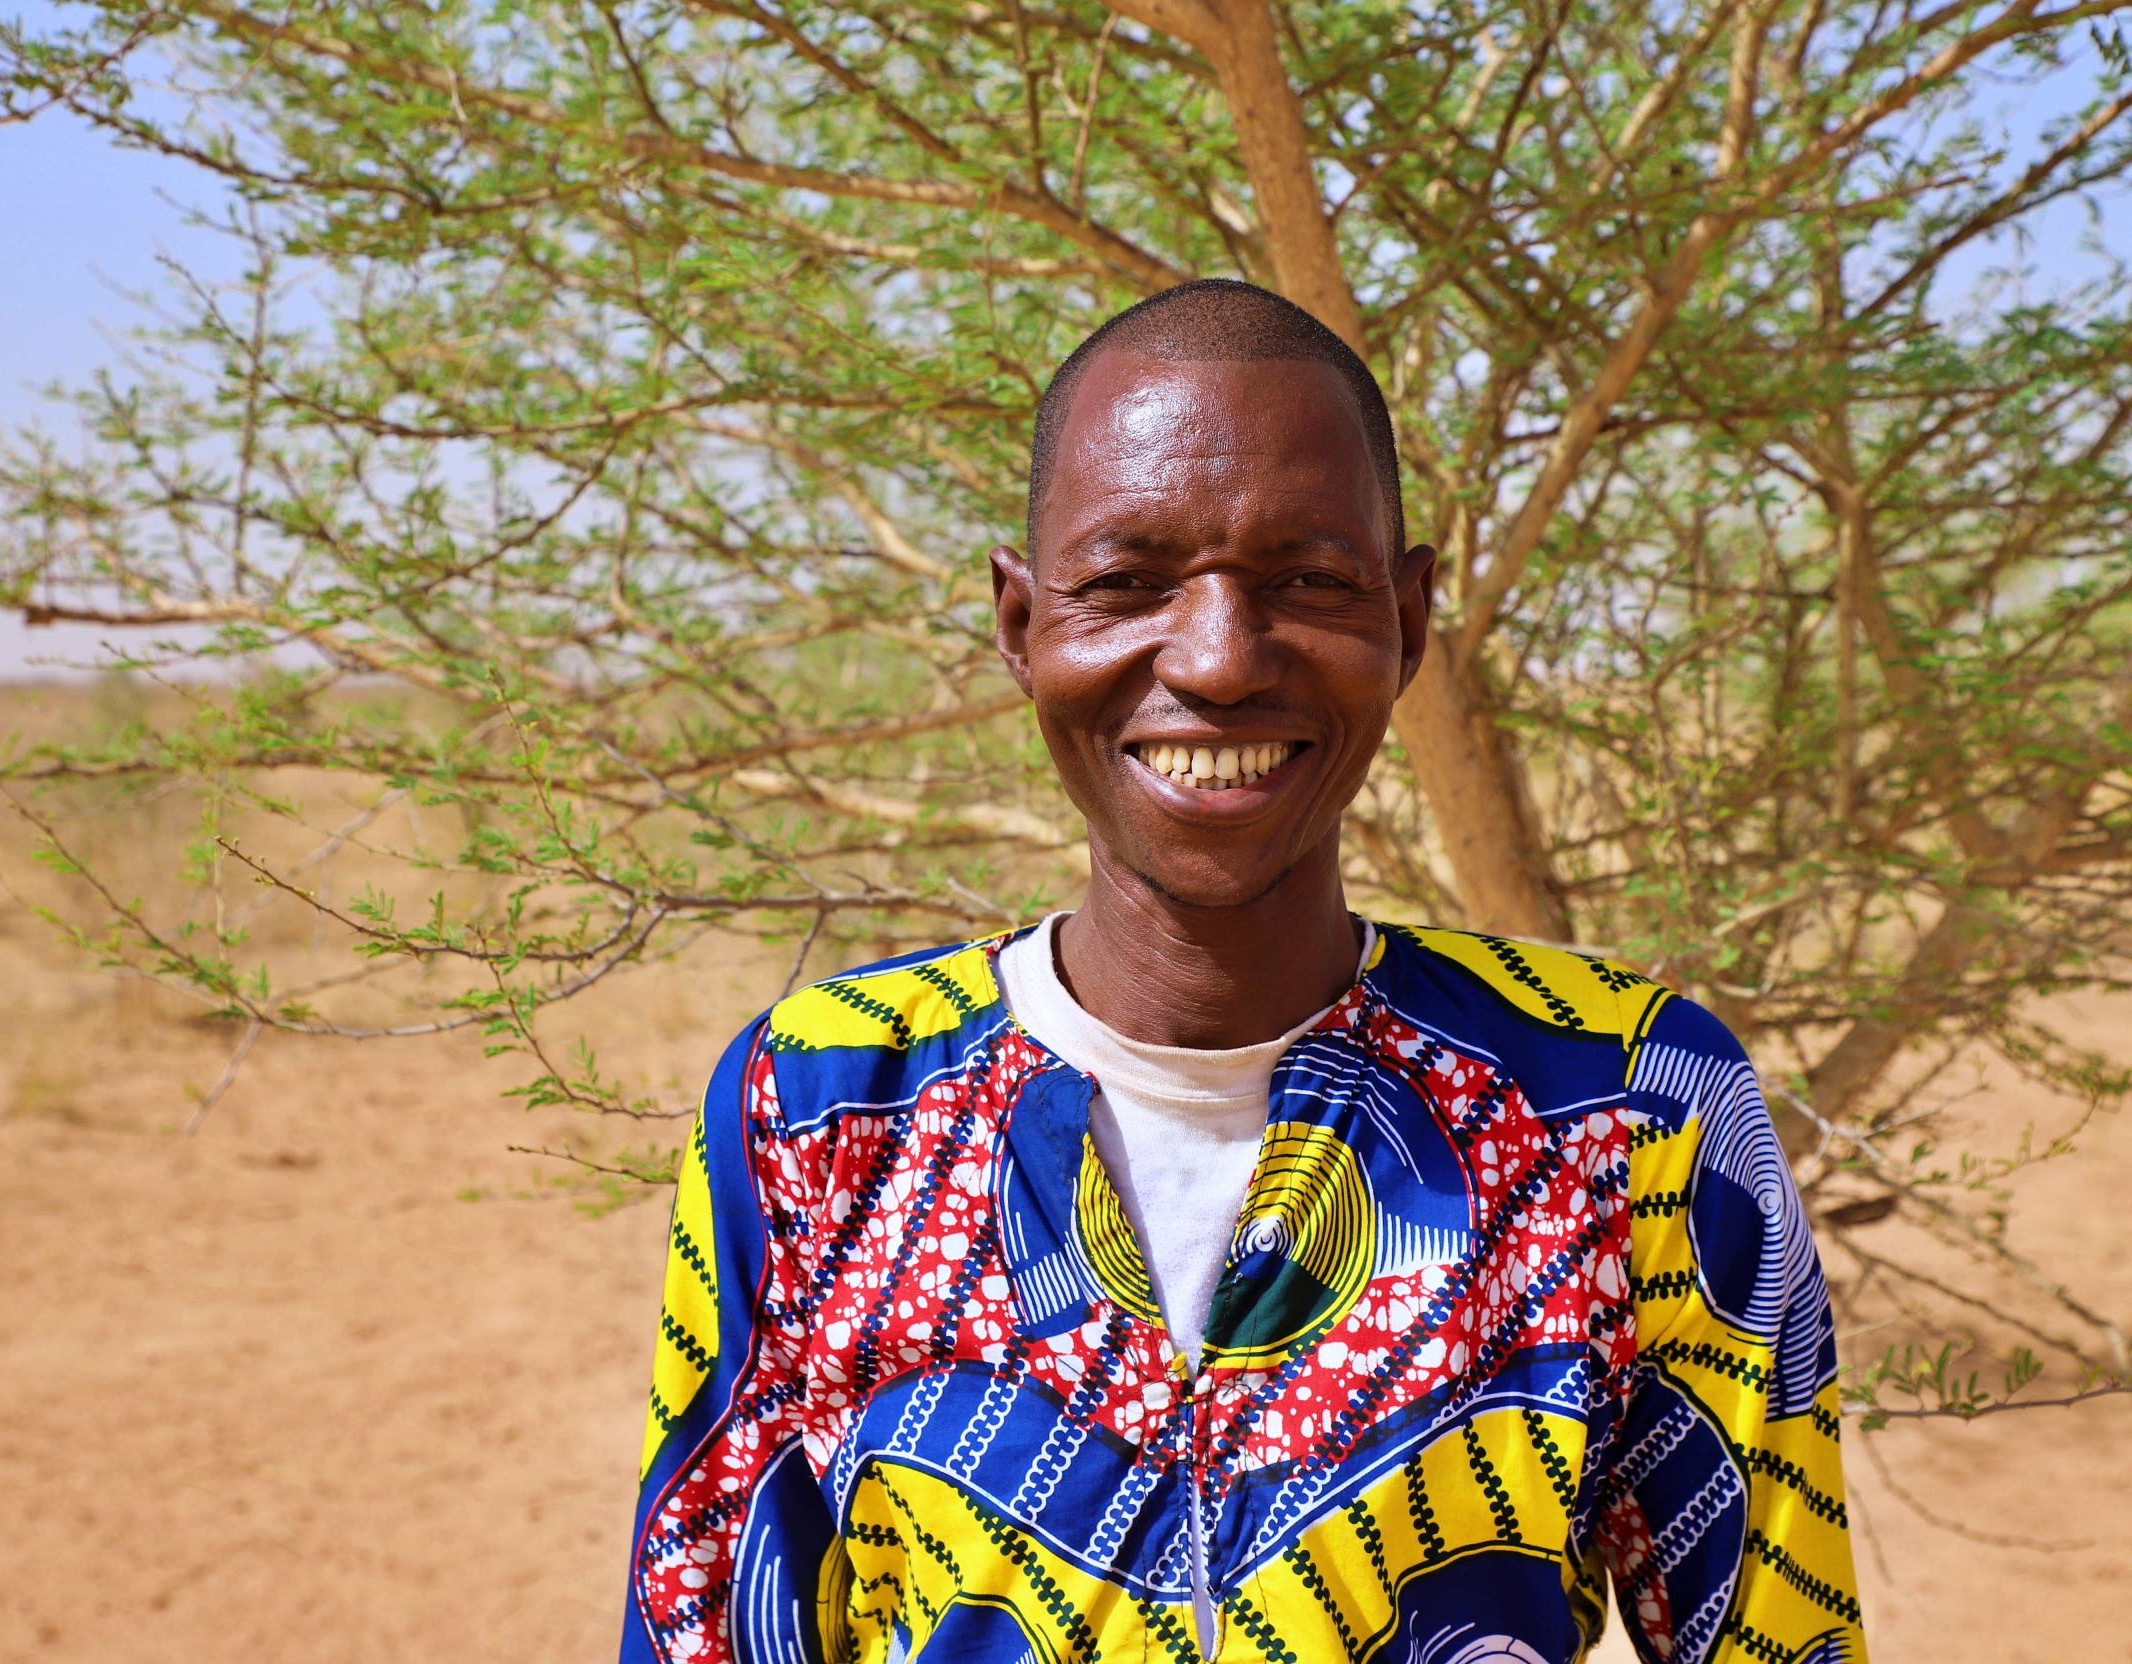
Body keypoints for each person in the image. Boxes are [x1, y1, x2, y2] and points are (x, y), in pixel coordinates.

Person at [622, 279, 1864, 1664]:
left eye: (1308, 583)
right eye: (1126, 584)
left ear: (1409, 619)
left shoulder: (1628, 1104)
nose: (1216, 661)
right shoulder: (822, 1106)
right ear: (1021, 627)